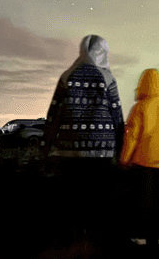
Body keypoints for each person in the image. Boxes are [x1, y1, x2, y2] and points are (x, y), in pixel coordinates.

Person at [41, 35, 125, 250]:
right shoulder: (107, 77)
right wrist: (121, 148)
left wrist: (46, 146)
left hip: (69, 148)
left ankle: (71, 237)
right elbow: (117, 115)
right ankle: (97, 238)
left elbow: (53, 114)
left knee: (71, 194)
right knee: (98, 193)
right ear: (103, 52)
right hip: (102, 150)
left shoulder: (67, 76)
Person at [120, 68, 159, 247]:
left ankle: (141, 237)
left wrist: (124, 159)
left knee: (142, 200)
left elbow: (131, 137)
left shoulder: (140, 107)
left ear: (142, 85)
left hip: (142, 162)